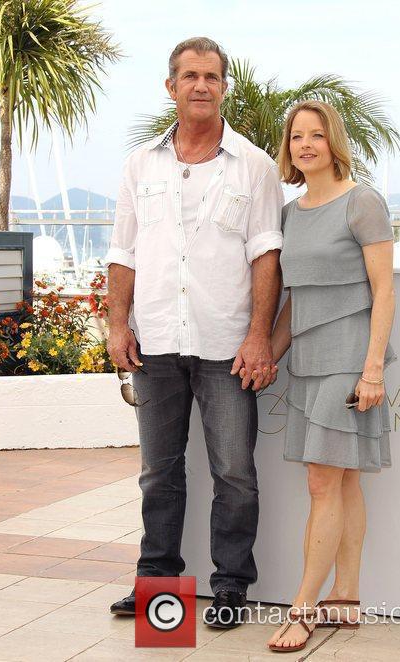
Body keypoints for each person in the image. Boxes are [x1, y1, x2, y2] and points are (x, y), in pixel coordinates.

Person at [104, 37, 284, 628]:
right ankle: (158, 584)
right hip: (154, 339)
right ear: (171, 86)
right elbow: (123, 252)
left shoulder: (254, 165)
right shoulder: (140, 165)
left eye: (211, 76)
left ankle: (231, 587)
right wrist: (116, 324)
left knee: (235, 472)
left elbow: (266, 256)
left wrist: (259, 336)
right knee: (159, 471)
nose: (201, 85)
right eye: (190, 76)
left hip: (226, 344)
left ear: (223, 86)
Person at [265, 100, 397, 653]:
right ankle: (345, 595)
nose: (306, 145)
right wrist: (268, 354)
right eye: (297, 137)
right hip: (308, 360)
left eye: (317, 135)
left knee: (322, 481)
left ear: (333, 142)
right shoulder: (293, 213)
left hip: (349, 358)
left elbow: (385, 291)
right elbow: (295, 300)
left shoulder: (362, 202)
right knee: (343, 479)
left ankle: (302, 609)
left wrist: (372, 371)